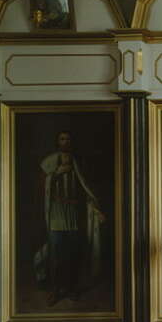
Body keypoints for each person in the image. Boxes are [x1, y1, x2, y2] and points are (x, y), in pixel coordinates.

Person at [35, 131, 105, 306]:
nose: (65, 141)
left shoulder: (78, 162)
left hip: (74, 214)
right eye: (62, 138)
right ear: (57, 141)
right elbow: (42, 188)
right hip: (56, 215)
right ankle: (55, 289)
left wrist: (95, 209)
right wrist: (57, 173)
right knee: (55, 254)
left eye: (68, 138)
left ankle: (72, 288)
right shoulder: (49, 162)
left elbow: (86, 188)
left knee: (73, 253)